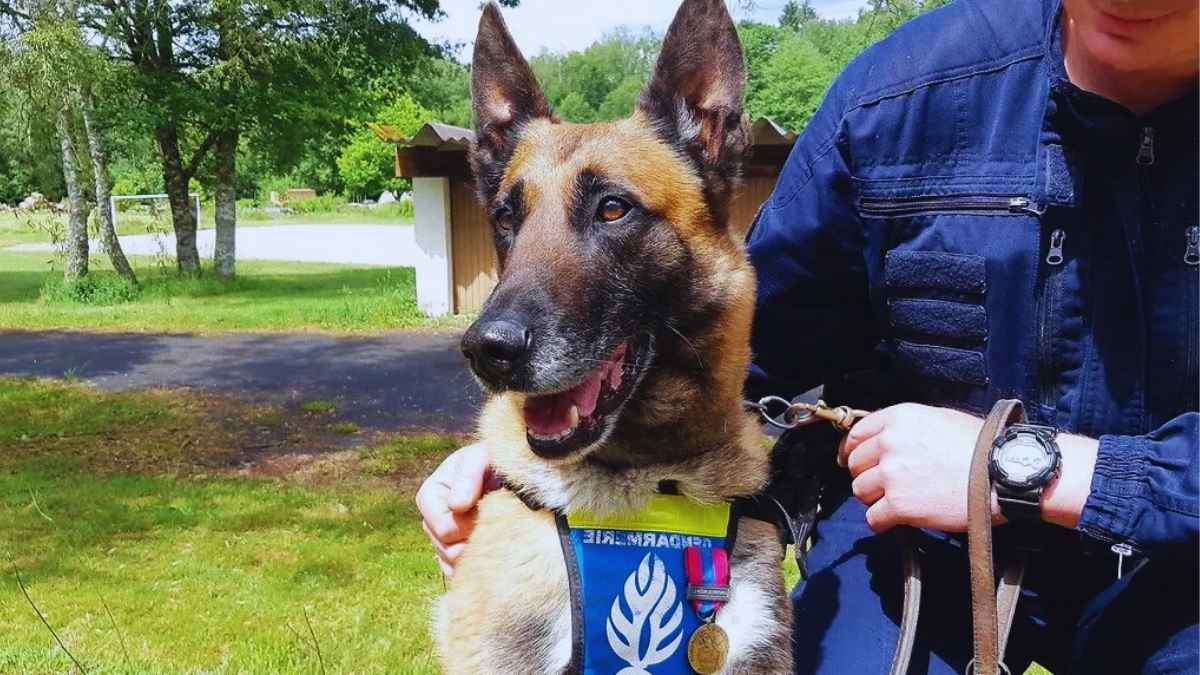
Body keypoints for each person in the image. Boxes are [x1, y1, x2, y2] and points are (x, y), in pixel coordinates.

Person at [418, 0, 1199, 672]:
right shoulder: (900, 99)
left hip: (1181, 556)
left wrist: (1026, 469)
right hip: (923, 538)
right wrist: (535, 448)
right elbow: (748, 354)